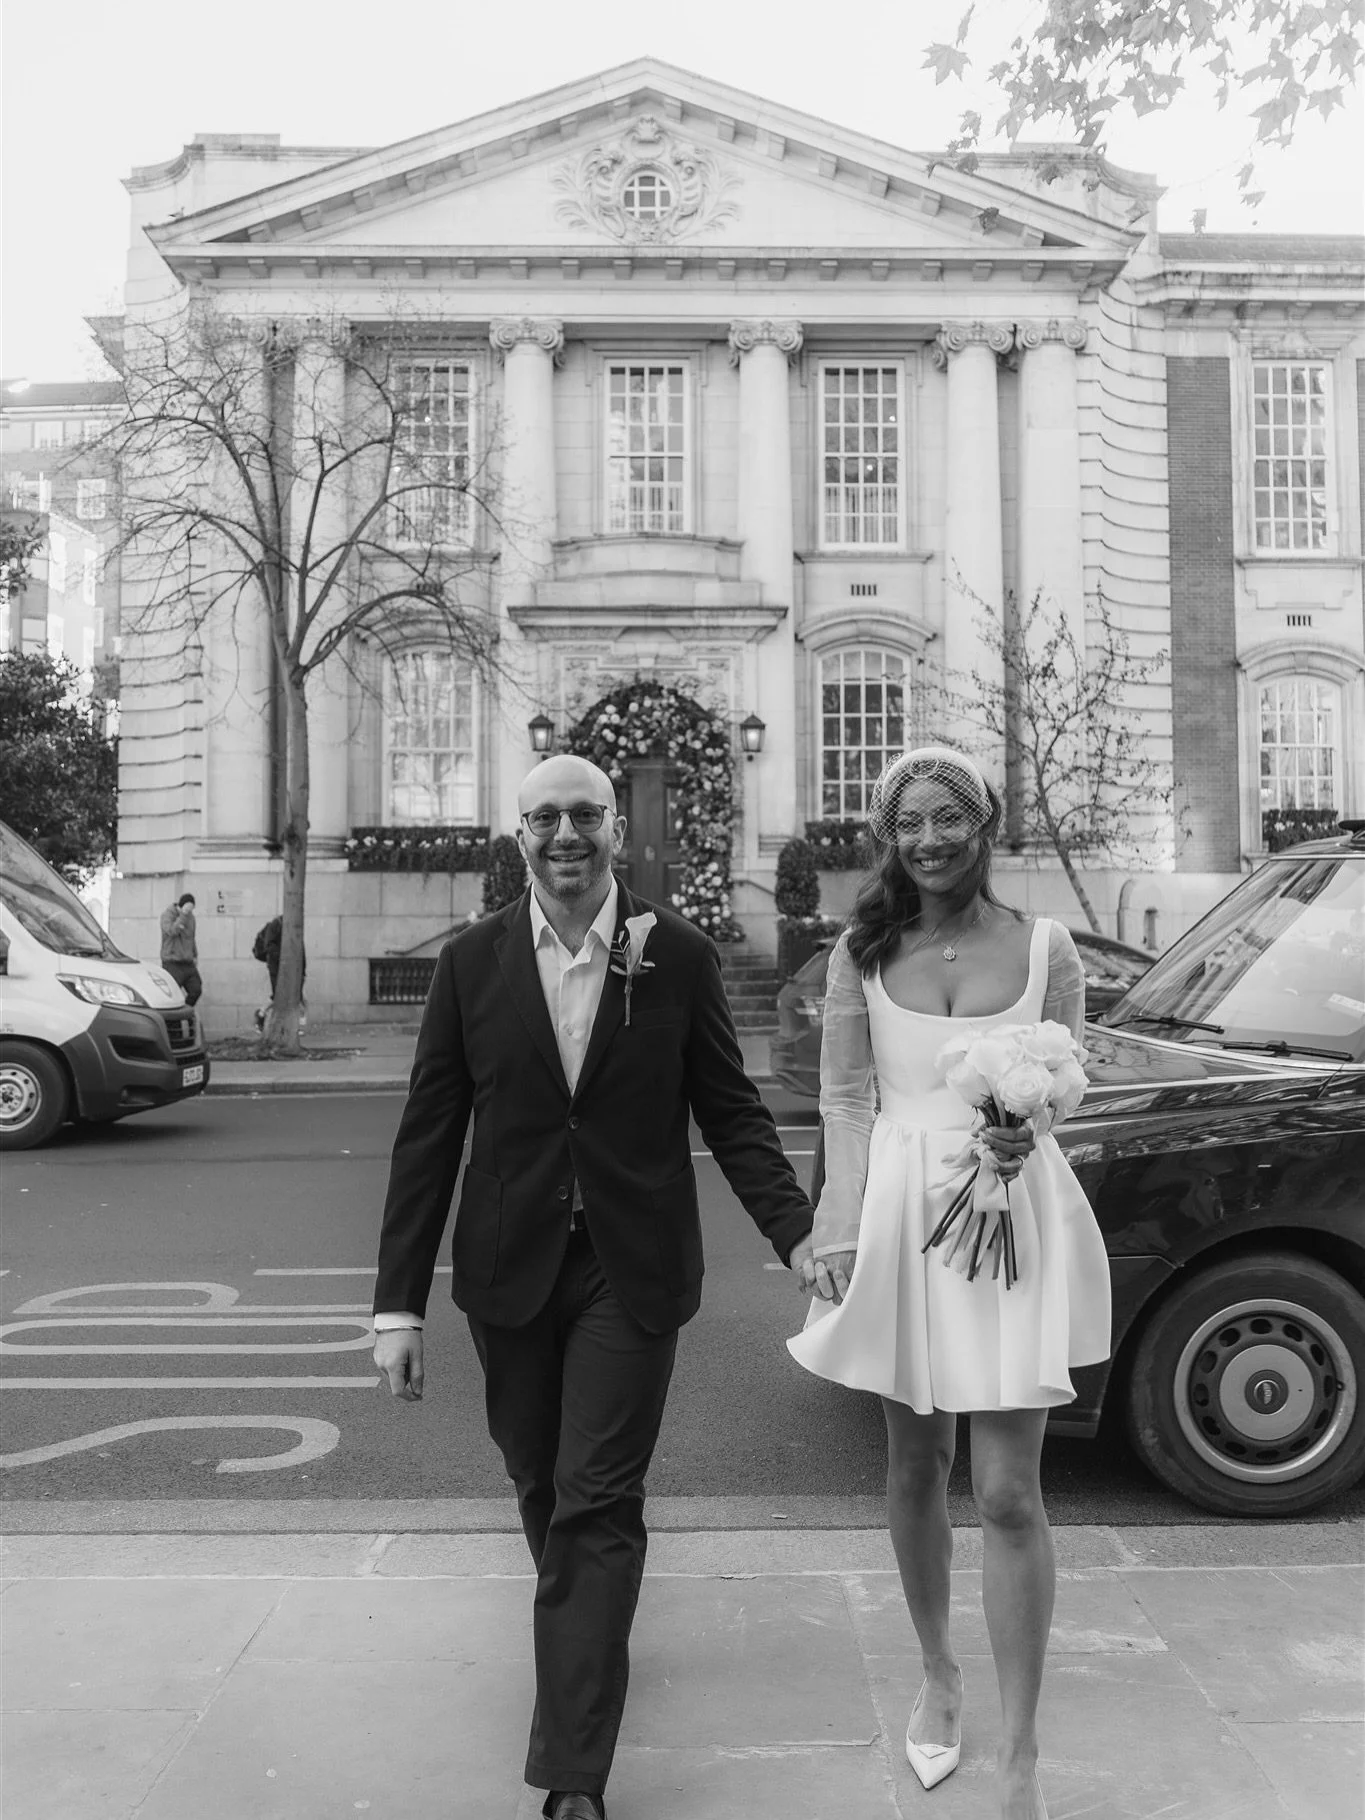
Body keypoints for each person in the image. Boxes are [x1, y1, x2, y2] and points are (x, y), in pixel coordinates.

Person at [372, 753, 815, 1820]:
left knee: (596, 1500)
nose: (564, 834)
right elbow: (430, 1134)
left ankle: (574, 1768)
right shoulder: (472, 964)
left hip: (631, 1266)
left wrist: (798, 1235)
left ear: (615, 830)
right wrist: (397, 1305)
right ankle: (588, 1632)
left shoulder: (681, 957)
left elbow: (734, 1114)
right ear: (516, 834)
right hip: (506, 1271)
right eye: (543, 817)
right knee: (542, 1483)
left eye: (584, 816)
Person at [788, 747, 1111, 1820]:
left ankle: (1021, 1752)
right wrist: (835, 1229)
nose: (927, 839)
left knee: (1013, 1489)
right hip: (896, 1213)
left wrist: (1027, 1131)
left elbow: (1068, 1075)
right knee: (915, 1460)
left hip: (1010, 1208)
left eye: (948, 819)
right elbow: (842, 1099)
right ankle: (937, 1670)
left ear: (984, 824)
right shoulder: (860, 949)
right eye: (909, 823)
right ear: (891, 836)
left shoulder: (1047, 946)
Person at [252, 915, 306, 1033]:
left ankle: (293, 1025)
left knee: (293, 995)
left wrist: (302, 971)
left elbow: (301, 951)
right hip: (277, 966)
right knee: (278, 995)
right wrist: (284, 958)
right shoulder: (276, 925)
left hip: (290, 966)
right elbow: (269, 946)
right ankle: (261, 1015)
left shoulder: (293, 929)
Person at [159, 892, 202, 1005]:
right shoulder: (167, 915)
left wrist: (195, 955)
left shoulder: (191, 917)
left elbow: (191, 937)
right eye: (189, 908)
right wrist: (183, 914)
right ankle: (174, 1021)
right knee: (172, 995)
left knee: (196, 990)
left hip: (187, 962)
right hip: (172, 962)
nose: (190, 911)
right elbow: (172, 931)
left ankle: (187, 1013)